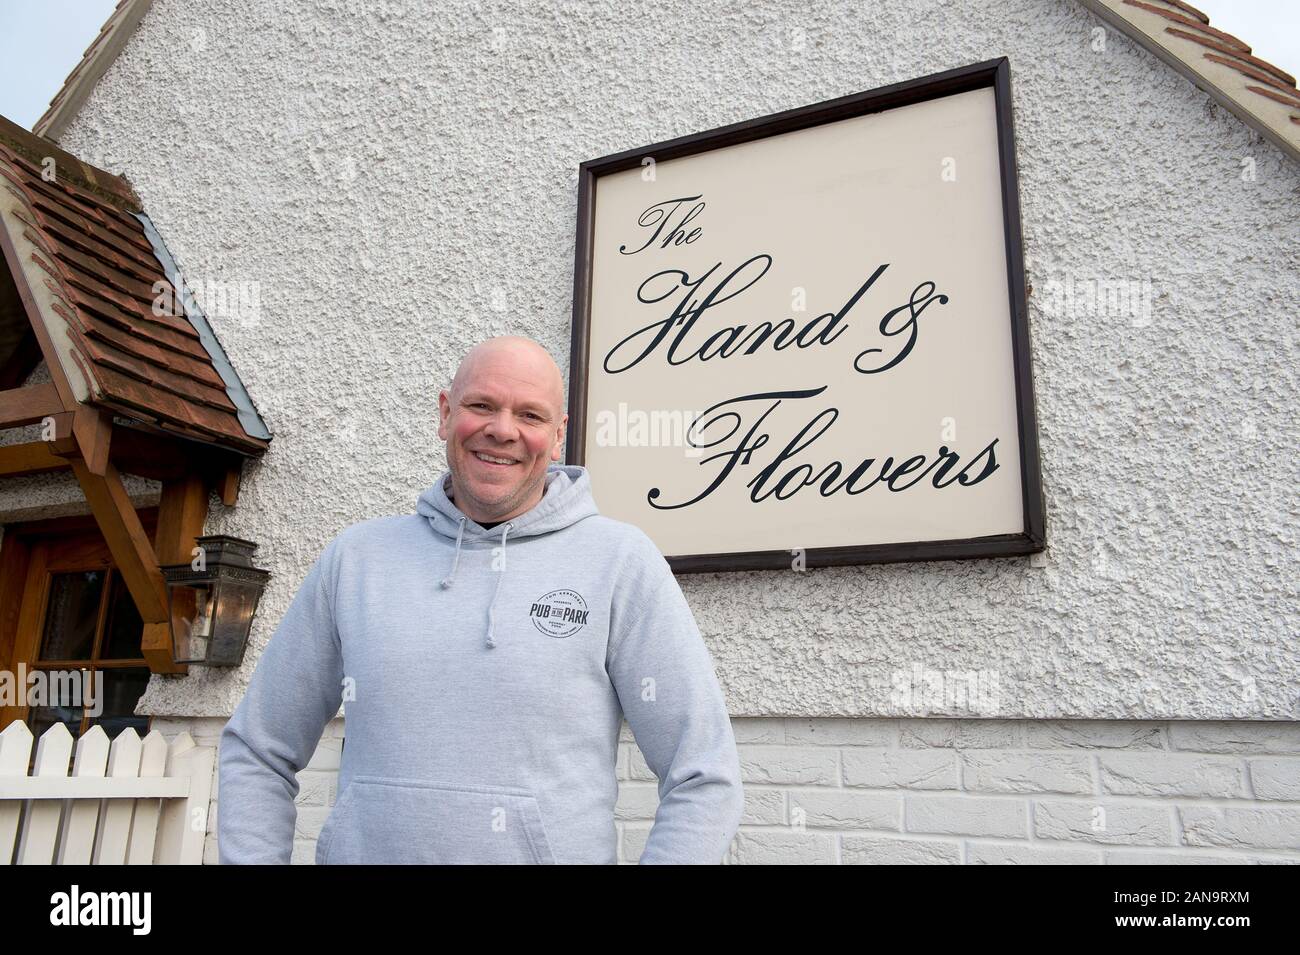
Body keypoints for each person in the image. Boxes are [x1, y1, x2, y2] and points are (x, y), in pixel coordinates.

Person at [217, 335, 744, 864]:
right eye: (481, 405)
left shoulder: (620, 563)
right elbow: (259, 749)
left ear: (558, 436)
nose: (502, 430)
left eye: (530, 415)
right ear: (446, 414)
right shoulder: (355, 561)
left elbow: (701, 773)